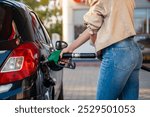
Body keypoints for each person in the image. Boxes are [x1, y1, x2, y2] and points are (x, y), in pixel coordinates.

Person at [60, 0, 143, 100]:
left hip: (116, 52)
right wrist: (70, 48)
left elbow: (92, 29)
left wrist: (96, 47)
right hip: (134, 50)